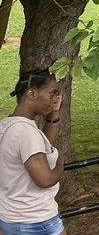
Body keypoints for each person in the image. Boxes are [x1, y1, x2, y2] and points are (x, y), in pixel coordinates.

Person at [1, 69, 64, 235]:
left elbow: (40, 148)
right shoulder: (26, 133)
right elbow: (44, 179)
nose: (55, 98)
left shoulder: (8, 125)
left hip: (11, 216)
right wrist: (60, 166)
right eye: (52, 93)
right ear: (31, 94)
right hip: (36, 220)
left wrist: (54, 114)